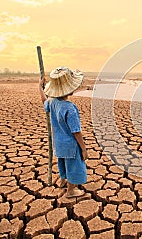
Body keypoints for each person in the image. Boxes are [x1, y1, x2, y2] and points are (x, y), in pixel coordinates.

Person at [38, 66, 88, 198]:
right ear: (70, 89)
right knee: (74, 165)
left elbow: (45, 101)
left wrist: (40, 88)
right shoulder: (70, 109)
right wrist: (83, 148)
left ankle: (63, 180)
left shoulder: (53, 102)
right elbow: (76, 131)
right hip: (70, 145)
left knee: (62, 162)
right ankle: (71, 190)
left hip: (58, 143)